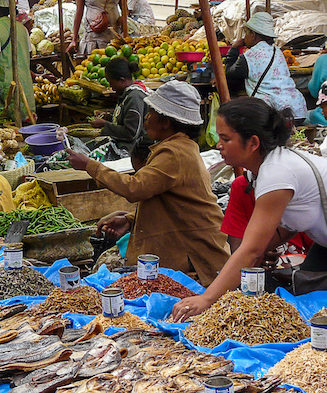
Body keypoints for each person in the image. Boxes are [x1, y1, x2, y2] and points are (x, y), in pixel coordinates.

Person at [171, 98, 327, 319]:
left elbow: (252, 250)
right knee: (306, 299)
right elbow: (281, 229)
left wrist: (208, 298)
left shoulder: (278, 172)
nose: (219, 145)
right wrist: (238, 267)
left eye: (226, 139)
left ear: (253, 142)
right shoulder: (262, 170)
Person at [69, 81, 228, 285]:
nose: (146, 117)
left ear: (166, 122)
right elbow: (166, 202)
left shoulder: (175, 153)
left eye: (151, 112)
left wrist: (90, 166)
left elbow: (135, 188)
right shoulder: (179, 148)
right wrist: (130, 220)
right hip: (188, 251)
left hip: (196, 257)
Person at [223, 10, 308, 121]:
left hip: (273, 114)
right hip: (297, 109)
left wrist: (234, 48)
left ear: (253, 35)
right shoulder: (277, 51)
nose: (244, 37)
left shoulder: (250, 56)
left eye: (246, 33)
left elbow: (229, 74)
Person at [0, 0, 35, 120]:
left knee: (10, 123)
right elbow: (29, 54)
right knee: (27, 117)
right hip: (25, 85)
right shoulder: (21, 28)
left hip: (7, 86)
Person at [91, 57, 151, 155]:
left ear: (122, 80)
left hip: (133, 151)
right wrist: (108, 116)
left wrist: (104, 124)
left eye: (111, 83)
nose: (111, 87)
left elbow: (130, 133)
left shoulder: (134, 97)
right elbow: (124, 119)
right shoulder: (126, 94)